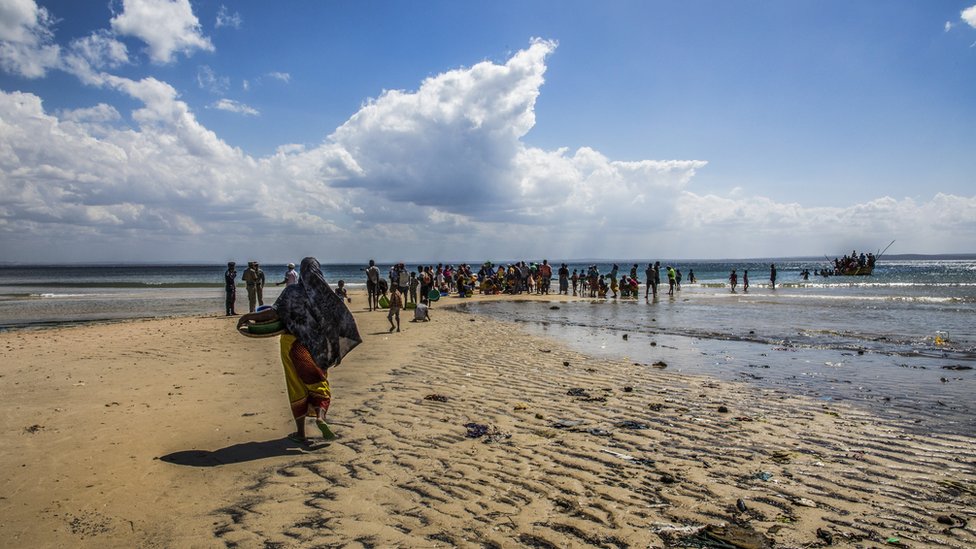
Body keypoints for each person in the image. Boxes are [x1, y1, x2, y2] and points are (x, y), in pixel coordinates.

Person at [237, 257, 361, 444]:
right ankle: (320, 416)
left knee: (296, 385)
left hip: (292, 344)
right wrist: (336, 350)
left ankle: (301, 433)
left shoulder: (292, 291)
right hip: (317, 347)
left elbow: (274, 313)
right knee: (318, 383)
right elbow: (341, 321)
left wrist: (249, 316)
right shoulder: (325, 294)